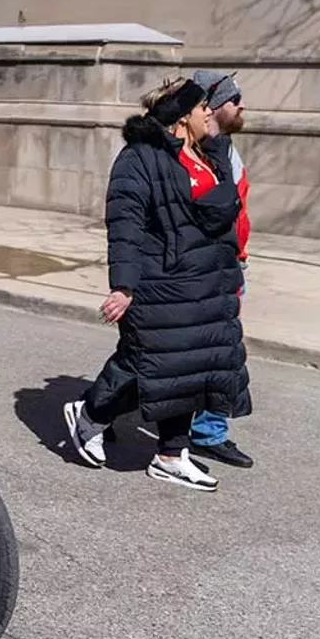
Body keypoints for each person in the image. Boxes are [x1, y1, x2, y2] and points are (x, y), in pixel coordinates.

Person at [63, 77, 249, 492]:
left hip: (203, 285)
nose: (209, 114)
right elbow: (125, 224)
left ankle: (170, 455)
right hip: (160, 283)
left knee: (189, 371)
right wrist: (123, 285)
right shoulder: (141, 158)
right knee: (144, 365)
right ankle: (91, 414)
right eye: (202, 107)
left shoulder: (206, 154)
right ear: (183, 116)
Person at [188, 69, 254, 468]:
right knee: (162, 352)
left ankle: (209, 431)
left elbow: (238, 209)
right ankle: (98, 410)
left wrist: (240, 257)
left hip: (229, 267)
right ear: (212, 108)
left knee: (222, 354)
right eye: (235, 100)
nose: (242, 106)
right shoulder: (187, 150)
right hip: (199, 270)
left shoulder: (226, 149)